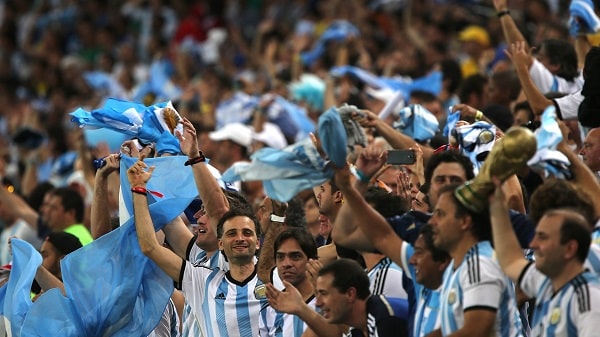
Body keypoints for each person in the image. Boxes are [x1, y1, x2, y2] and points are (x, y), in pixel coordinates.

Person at [128, 156, 266, 337]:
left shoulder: (226, 260)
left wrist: (194, 156)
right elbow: (166, 222)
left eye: (205, 211)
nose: (197, 218)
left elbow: (218, 210)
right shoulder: (200, 261)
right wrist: (143, 172)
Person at [489, 179, 600, 337]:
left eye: (543, 237)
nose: (533, 243)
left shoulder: (589, 300)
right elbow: (511, 260)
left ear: (570, 248)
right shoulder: (546, 282)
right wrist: (495, 206)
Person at [266, 258, 408, 337]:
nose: (318, 302)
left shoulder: (384, 320)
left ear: (350, 294)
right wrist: (301, 309)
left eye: (324, 293)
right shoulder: (361, 326)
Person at [259, 227, 319, 337]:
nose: (286, 264)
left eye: (295, 256)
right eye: (280, 257)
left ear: (312, 260)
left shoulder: (329, 305)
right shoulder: (269, 311)